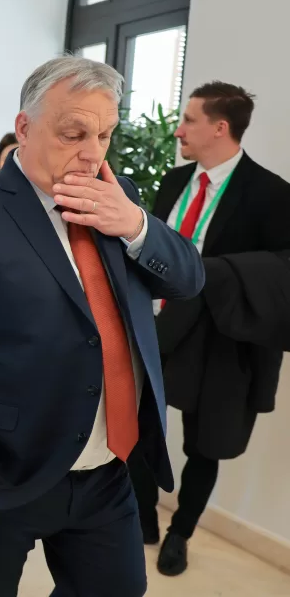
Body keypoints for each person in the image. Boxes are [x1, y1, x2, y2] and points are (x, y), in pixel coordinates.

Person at [0, 56, 206, 596]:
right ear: (25, 127)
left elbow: (188, 279)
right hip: (1, 471)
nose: (93, 152)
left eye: (105, 134)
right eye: (73, 133)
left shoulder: (120, 198)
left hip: (106, 467)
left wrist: (135, 225)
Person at [129, 81, 290, 577]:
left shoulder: (270, 193)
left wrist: (213, 271)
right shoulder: (175, 182)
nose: (178, 129)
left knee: (204, 444)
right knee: (136, 423)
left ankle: (180, 533)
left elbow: (281, 270)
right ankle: (144, 520)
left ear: (220, 128)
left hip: (220, 342)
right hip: (158, 327)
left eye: (190, 120)